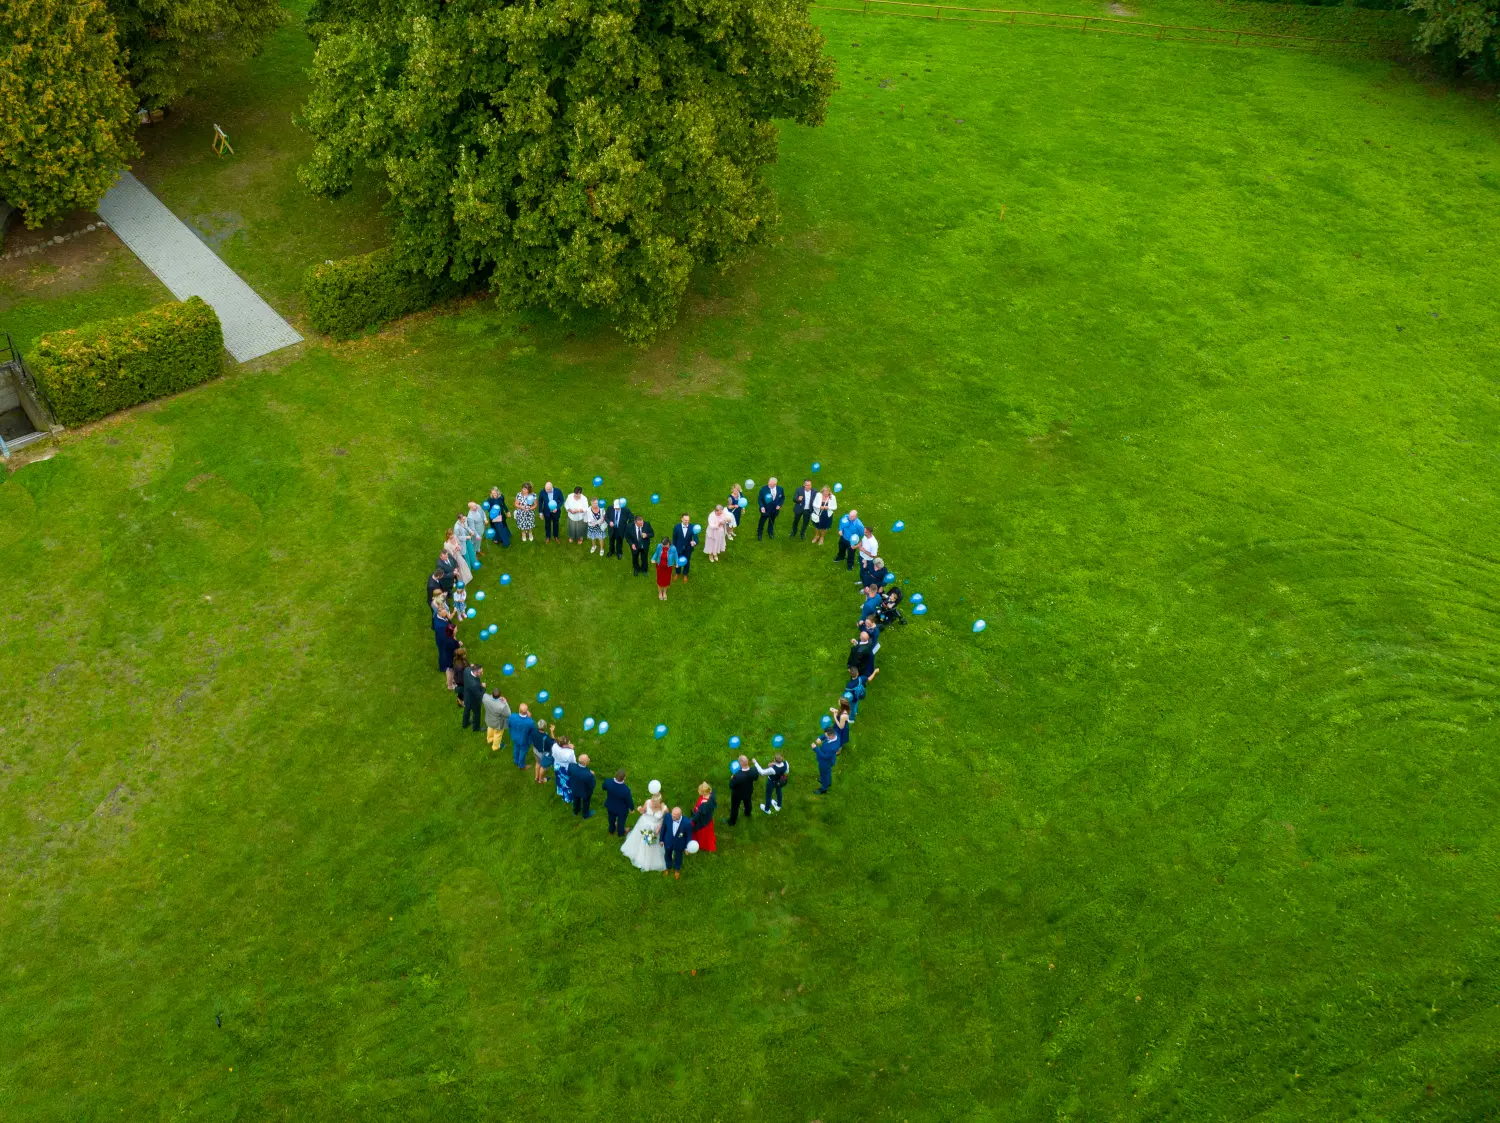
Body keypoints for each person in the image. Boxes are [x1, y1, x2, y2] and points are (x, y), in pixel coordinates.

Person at [621, 780, 667, 872]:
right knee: (643, 840)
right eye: (653, 802)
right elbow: (642, 811)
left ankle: (650, 858)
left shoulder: (664, 808)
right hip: (644, 824)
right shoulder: (648, 802)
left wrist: (659, 827)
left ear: (659, 802)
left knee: (652, 844)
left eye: (655, 803)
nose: (653, 804)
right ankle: (640, 856)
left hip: (656, 827)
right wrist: (639, 809)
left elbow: (666, 819)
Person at [661, 807, 694, 879]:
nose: (672, 817)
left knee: (679, 856)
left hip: (680, 843)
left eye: (675, 817)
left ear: (680, 815)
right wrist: (661, 840)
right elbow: (663, 828)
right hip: (668, 840)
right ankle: (668, 867)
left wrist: (687, 847)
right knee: (667, 854)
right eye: (672, 815)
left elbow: (689, 836)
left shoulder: (687, 823)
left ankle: (677, 869)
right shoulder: (667, 817)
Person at [603, 770, 633, 838]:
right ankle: (621, 833)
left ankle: (611, 830)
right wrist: (631, 808)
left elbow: (603, 787)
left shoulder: (608, 781)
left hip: (610, 806)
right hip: (621, 809)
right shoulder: (626, 789)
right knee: (621, 821)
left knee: (611, 819)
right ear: (624, 778)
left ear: (615, 775)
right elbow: (629, 801)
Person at [728, 755, 756, 824]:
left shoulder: (737, 776)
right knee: (748, 802)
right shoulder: (754, 771)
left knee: (735, 807)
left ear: (740, 764)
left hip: (737, 794)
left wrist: (732, 778)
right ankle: (747, 813)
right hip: (749, 791)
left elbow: (731, 786)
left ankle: (732, 822)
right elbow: (756, 778)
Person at [507, 703, 537, 769]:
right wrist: (530, 718)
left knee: (516, 748)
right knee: (522, 752)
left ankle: (516, 760)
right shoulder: (529, 722)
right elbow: (534, 730)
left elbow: (509, 724)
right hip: (524, 740)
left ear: (519, 710)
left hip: (515, 737)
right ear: (527, 712)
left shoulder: (512, 716)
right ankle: (521, 765)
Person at [690, 782, 718, 852]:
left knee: (703, 835)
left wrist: (692, 820)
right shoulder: (711, 795)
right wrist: (705, 785)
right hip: (709, 819)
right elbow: (711, 790)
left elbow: (698, 815)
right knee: (709, 833)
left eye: (699, 791)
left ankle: (704, 845)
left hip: (703, 822)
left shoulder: (704, 804)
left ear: (703, 793)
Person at [812, 727, 840, 793]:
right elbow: (824, 735)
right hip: (830, 759)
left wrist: (815, 748)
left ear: (831, 736)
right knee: (828, 771)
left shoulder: (832, 747)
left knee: (824, 774)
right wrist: (820, 738)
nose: (825, 736)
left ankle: (824, 788)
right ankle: (828, 782)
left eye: (826, 735)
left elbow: (825, 756)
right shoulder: (835, 733)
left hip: (825, 762)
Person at [460, 662, 485, 732]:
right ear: (475, 672)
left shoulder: (467, 670)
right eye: (480, 673)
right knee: (477, 714)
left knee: (466, 710)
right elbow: (480, 696)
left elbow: (469, 667)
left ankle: (465, 723)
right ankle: (476, 728)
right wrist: (483, 688)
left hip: (466, 696)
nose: (482, 674)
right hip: (474, 701)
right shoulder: (474, 684)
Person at [552, 735, 578, 803]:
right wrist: (571, 749)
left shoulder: (554, 745)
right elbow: (573, 762)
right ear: (564, 745)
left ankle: (560, 791)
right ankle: (568, 798)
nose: (569, 743)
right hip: (565, 769)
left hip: (557, 766)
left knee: (559, 779)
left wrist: (568, 747)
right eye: (568, 743)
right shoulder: (570, 753)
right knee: (567, 783)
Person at [570, 754, 596, 818]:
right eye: (588, 759)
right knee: (586, 802)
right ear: (585, 763)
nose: (589, 759)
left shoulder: (571, 766)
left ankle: (576, 812)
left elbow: (569, 774)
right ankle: (585, 815)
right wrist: (591, 774)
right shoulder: (589, 775)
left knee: (576, 800)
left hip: (575, 788)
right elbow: (592, 785)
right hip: (585, 792)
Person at [671, 514, 697, 579]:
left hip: (688, 548)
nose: (687, 522)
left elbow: (696, 538)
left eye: (688, 520)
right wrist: (674, 548)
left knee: (687, 562)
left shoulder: (692, 527)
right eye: (685, 520)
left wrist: (694, 542)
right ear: (682, 519)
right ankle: (677, 573)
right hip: (678, 548)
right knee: (678, 561)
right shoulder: (677, 527)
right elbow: (674, 538)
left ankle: (685, 574)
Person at [533, 720, 557, 785]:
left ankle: (536, 777)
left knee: (537, 762)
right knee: (543, 767)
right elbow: (554, 743)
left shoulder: (533, 731)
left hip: (535, 750)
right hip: (542, 754)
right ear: (545, 727)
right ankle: (540, 780)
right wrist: (552, 731)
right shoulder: (545, 738)